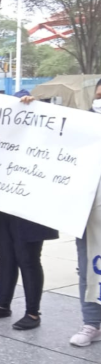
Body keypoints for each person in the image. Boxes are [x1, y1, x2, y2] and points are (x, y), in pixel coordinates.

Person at [0, 91, 59, 330]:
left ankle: (33, 312)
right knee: (6, 259)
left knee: (28, 259)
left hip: (30, 209)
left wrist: (33, 105)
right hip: (3, 208)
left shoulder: (43, 137)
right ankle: (3, 305)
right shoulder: (1, 136)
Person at [72, 79, 101, 346]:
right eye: (99, 93)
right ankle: (91, 323)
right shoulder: (81, 125)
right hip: (88, 213)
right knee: (88, 269)